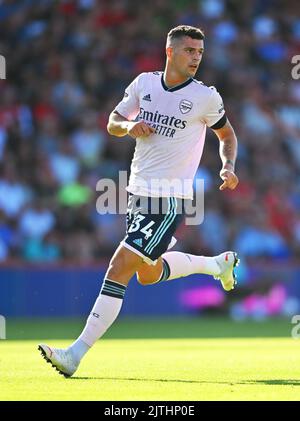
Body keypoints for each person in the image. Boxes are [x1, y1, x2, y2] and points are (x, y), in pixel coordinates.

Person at [38, 25, 239, 377]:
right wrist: (129, 126)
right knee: (146, 273)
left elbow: (226, 133)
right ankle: (217, 265)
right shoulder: (144, 85)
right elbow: (113, 122)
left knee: (119, 268)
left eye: (199, 52)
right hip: (136, 194)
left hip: (169, 199)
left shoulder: (205, 97)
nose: (195, 58)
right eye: (189, 50)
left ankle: (75, 354)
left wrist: (228, 165)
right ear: (169, 51)